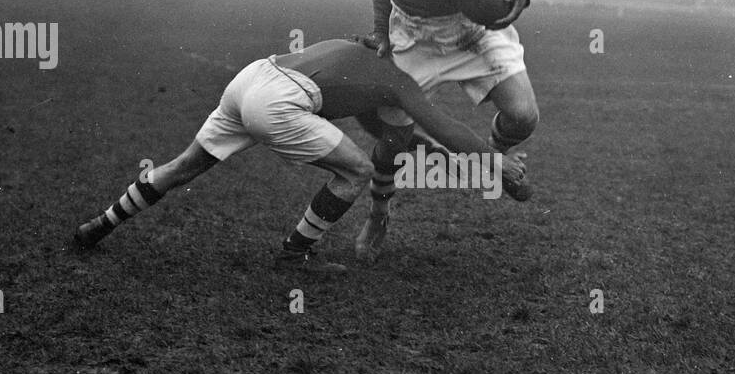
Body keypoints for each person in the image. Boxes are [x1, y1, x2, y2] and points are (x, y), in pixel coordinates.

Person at [72, 39, 525, 275]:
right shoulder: (402, 81)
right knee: (356, 173)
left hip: (253, 76)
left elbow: (402, 143)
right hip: (280, 102)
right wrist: (494, 161)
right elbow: (442, 128)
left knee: (182, 166)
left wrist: (467, 163)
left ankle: (100, 225)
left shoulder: (365, 50)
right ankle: (295, 254)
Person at [355, 0, 541, 263]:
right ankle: (378, 214)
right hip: (413, 35)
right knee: (392, 137)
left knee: (524, 117)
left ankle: (493, 158)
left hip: (469, 29)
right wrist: (380, 30)